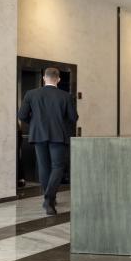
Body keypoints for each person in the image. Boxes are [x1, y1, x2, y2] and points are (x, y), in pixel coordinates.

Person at [17, 67, 78, 215]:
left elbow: (22, 115)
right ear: (58, 79)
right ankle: (49, 200)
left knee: (44, 167)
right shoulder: (66, 96)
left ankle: (49, 198)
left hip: (38, 135)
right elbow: (73, 118)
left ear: (44, 78)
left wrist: (35, 124)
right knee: (58, 167)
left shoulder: (31, 94)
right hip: (59, 136)